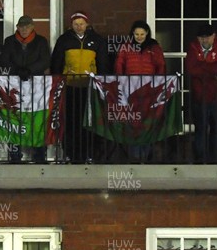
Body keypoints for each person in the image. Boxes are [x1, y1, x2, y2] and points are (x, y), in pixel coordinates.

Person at [51, 11, 109, 162]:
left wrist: (100, 82)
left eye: (81, 24)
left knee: (89, 121)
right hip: (69, 86)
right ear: (71, 25)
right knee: (70, 121)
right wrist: (59, 79)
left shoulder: (97, 40)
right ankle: (71, 153)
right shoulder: (64, 40)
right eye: (76, 24)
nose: (79, 27)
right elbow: (56, 62)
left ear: (87, 24)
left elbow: (103, 63)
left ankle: (88, 153)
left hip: (89, 87)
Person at [0, 15, 51, 163]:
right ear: (17, 27)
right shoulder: (9, 41)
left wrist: (29, 70)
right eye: (21, 27)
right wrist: (18, 70)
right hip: (15, 84)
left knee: (37, 119)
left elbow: (45, 60)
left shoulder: (41, 41)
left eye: (27, 26)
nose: (23, 29)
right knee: (14, 119)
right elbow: (4, 59)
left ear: (32, 27)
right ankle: (15, 154)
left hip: (36, 85)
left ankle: (39, 154)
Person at [114, 20, 166, 162]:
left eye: (142, 34)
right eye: (136, 34)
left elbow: (160, 65)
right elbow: (119, 63)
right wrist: (121, 81)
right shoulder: (126, 46)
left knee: (147, 123)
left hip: (149, 91)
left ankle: (145, 154)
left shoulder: (154, 47)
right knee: (133, 122)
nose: (139, 37)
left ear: (147, 33)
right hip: (131, 91)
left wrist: (158, 82)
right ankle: (135, 156)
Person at [185, 23, 217, 163]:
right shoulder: (193, 47)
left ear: (213, 36)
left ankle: (214, 160)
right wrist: (213, 72)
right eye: (201, 38)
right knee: (200, 129)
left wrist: (203, 69)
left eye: (207, 38)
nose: (204, 41)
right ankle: (200, 159)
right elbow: (191, 69)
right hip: (200, 97)